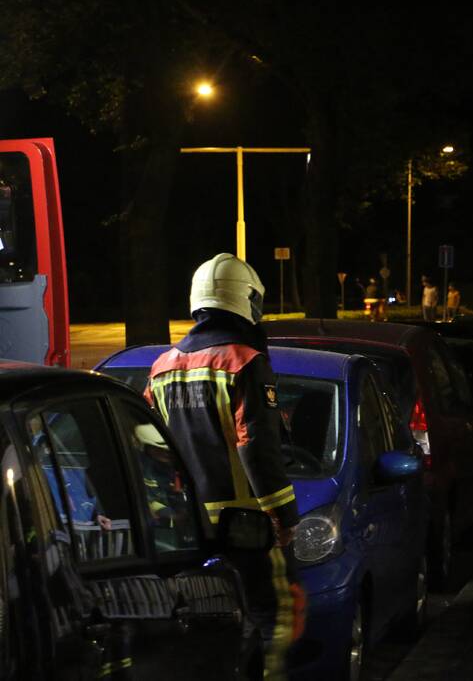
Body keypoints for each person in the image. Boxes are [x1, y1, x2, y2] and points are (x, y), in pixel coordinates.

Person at [145, 253, 304, 679]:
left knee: (208, 627)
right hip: (247, 528)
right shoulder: (245, 361)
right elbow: (257, 446)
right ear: (246, 301)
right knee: (276, 618)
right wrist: (283, 517)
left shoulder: (162, 368)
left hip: (187, 529)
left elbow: (151, 448)